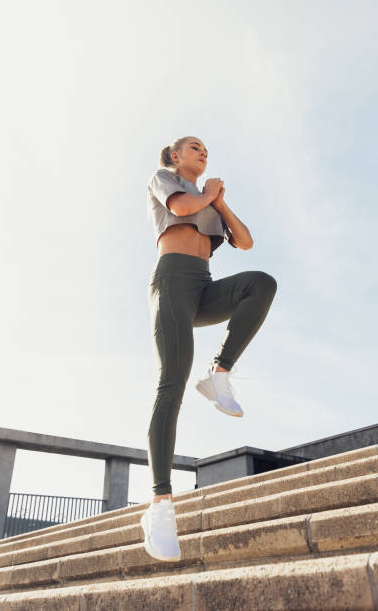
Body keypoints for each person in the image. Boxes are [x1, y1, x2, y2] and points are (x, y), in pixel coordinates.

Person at [140, 136, 277, 562]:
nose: (204, 152)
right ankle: (160, 507)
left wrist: (219, 200)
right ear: (175, 155)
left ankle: (219, 374)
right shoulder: (164, 178)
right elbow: (180, 209)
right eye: (194, 147)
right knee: (170, 386)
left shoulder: (209, 196)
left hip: (203, 285)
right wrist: (208, 194)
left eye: (206, 149)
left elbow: (245, 241)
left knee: (261, 283)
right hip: (173, 282)